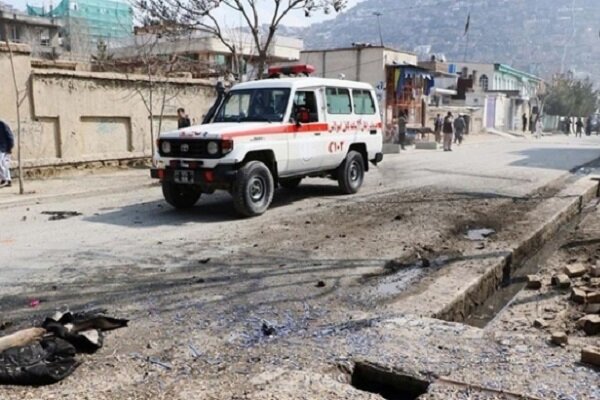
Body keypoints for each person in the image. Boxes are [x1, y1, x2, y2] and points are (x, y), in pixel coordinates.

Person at [0, 120, 14, 187]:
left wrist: (10, 147)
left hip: (3, 147)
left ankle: (4, 179)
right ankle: (8, 180)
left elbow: (10, 136)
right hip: (2, 147)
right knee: (4, 164)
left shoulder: (3, 124)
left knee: (1, 163)